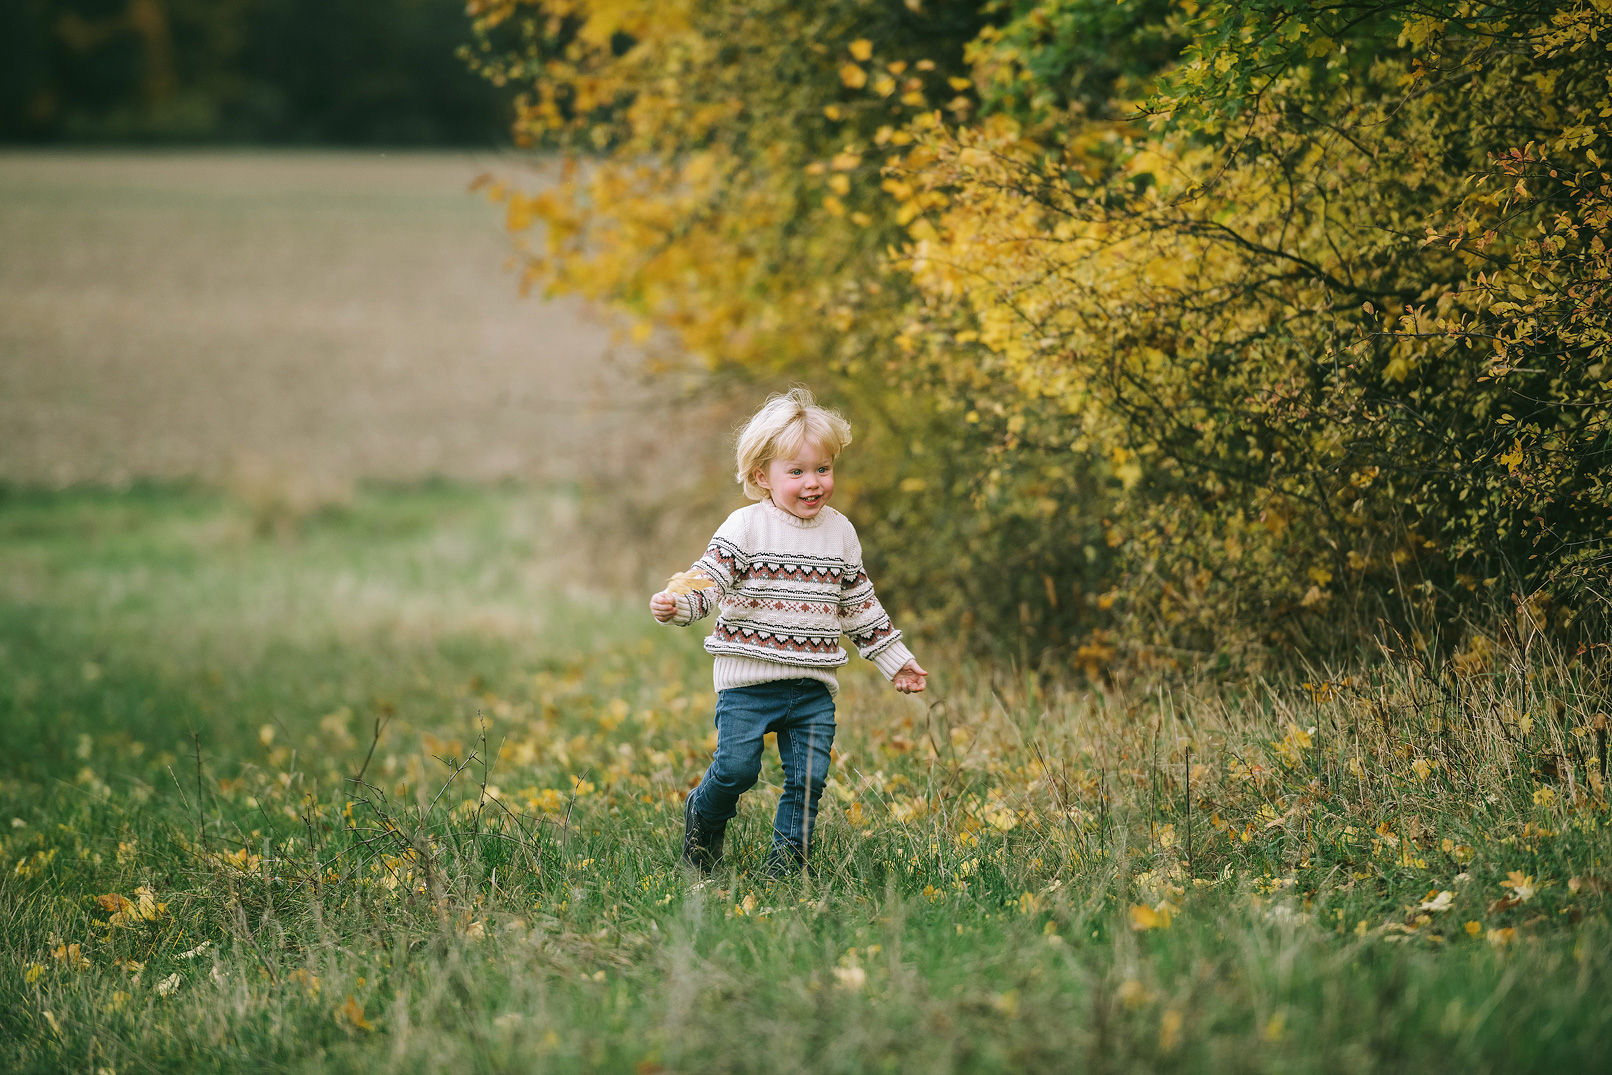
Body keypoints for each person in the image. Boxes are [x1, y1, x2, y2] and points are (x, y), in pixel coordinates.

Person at [650, 387, 927, 879]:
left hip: (812, 686)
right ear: (762, 476)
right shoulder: (745, 527)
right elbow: (708, 580)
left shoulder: (840, 532)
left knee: (808, 781)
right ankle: (703, 816)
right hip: (748, 686)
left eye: (822, 469)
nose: (812, 483)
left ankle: (786, 869)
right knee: (736, 771)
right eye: (795, 472)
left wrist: (895, 659)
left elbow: (859, 604)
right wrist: (679, 605)